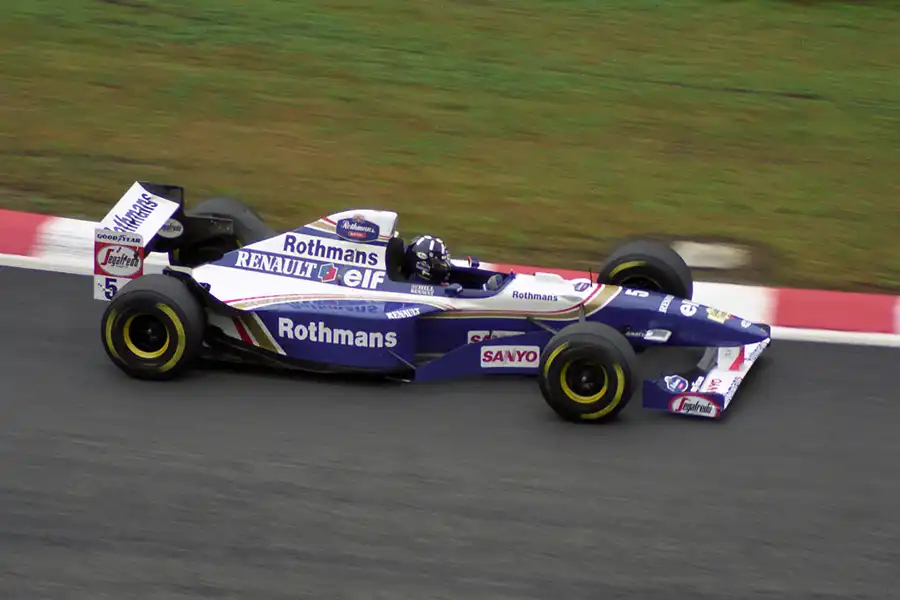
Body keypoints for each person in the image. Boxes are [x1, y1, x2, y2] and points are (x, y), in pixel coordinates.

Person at [403, 235, 503, 290]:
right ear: (424, 265)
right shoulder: (422, 289)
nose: (444, 266)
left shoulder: (432, 281)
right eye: (440, 262)